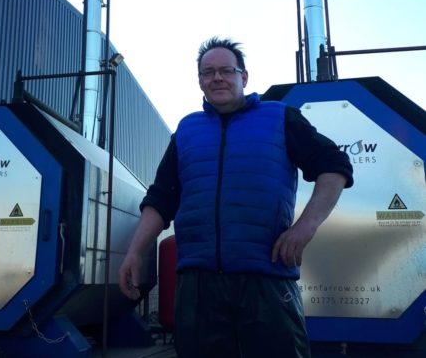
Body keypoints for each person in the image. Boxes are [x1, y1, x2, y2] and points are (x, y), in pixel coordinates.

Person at [119, 37, 353, 358]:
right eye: (208, 72)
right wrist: (134, 253)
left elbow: (334, 166)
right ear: (200, 81)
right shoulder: (187, 130)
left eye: (226, 71)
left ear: (243, 77)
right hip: (198, 286)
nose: (217, 78)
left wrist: (305, 227)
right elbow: (161, 198)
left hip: (265, 280)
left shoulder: (280, 118)